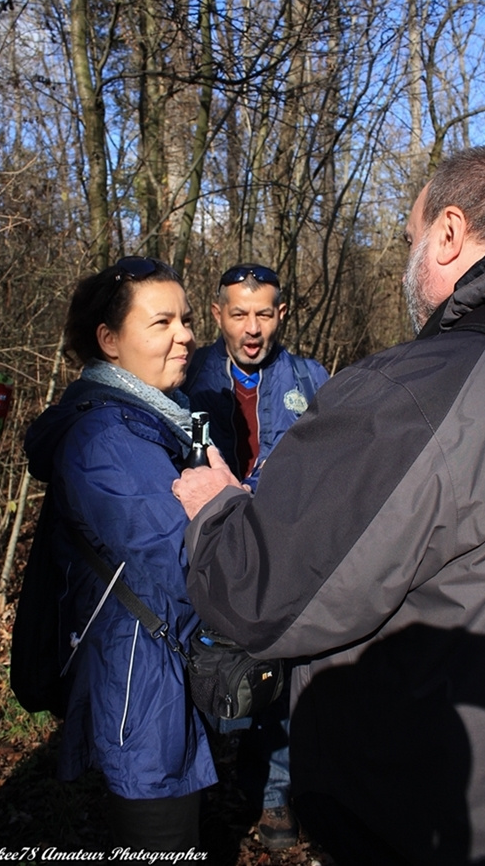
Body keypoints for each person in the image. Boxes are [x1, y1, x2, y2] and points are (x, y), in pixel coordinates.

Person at [173, 147, 485, 864]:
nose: (406, 261)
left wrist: (215, 511)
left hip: (438, 817)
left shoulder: (412, 393)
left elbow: (260, 591)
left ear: (448, 231)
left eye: (411, 237)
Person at [24, 257, 216, 851]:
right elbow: (187, 570)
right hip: (140, 684)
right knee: (163, 837)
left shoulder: (152, 424)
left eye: (184, 320)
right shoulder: (108, 438)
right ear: (109, 340)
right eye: (162, 323)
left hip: (154, 671)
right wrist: (234, 508)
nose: (185, 334)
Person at [182, 263, 328, 850]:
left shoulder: (311, 378)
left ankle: (273, 792)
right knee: (200, 666)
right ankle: (198, 784)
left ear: (281, 315)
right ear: (217, 313)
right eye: (238, 313)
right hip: (204, 549)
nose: (251, 328)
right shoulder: (187, 377)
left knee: (279, 671)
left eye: (263, 313)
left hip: (279, 553)